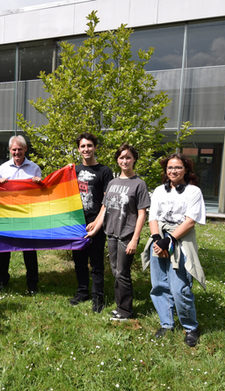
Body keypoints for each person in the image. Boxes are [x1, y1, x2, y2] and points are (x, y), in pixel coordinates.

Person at [141, 153, 206, 347]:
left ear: (186, 169)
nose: (173, 171)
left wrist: (168, 241)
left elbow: (190, 221)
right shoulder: (159, 191)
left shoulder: (193, 192)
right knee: (159, 284)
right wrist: (156, 240)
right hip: (158, 237)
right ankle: (166, 323)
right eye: (170, 168)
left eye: (177, 167)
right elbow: (153, 217)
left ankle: (190, 327)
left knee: (180, 288)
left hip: (180, 240)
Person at [86, 144, 149, 320]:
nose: (125, 161)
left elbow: (142, 213)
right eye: (121, 157)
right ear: (117, 160)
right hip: (111, 234)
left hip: (126, 235)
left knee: (122, 273)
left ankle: (126, 311)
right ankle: (121, 306)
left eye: (128, 157)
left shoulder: (139, 184)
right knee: (116, 271)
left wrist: (135, 239)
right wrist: (95, 228)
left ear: (134, 159)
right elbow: (105, 208)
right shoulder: (113, 183)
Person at [0, 135, 42, 294]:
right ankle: (3, 281)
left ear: (25, 149)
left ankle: (32, 284)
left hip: (27, 216)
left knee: (29, 251)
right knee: (4, 251)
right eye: (14, 149)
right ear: (9, 150)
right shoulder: (3, 168)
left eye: (20, 149)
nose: (17, 152)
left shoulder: (34, 168)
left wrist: (39, 183)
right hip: (7, 215)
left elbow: (43, 192)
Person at [69, 132, 113, 312]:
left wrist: (97, 223)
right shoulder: (73, 171)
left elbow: (107, 200)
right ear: (78, 149)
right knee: (79, 260)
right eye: (82, 146)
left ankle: (98, 298)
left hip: (96, 222)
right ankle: (82, 292)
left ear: (95, 147)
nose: (86, 149)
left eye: (89, 146)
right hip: (76, 223)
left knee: (96, 263)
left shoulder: (104, 171)